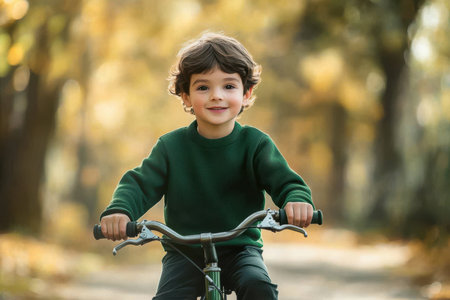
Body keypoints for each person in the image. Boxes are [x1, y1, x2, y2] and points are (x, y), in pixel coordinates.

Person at [99, 32, 315, 299]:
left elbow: (287, 182)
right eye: (203, 87)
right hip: (184, 253)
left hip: (241, 250)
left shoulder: (256, 144)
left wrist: (296, 200)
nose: (216, 96)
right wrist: (120, 211)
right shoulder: (171, 147)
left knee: (258, 286)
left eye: (229, 86)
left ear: (246, 94)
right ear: (186, 96)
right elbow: (139, 184)